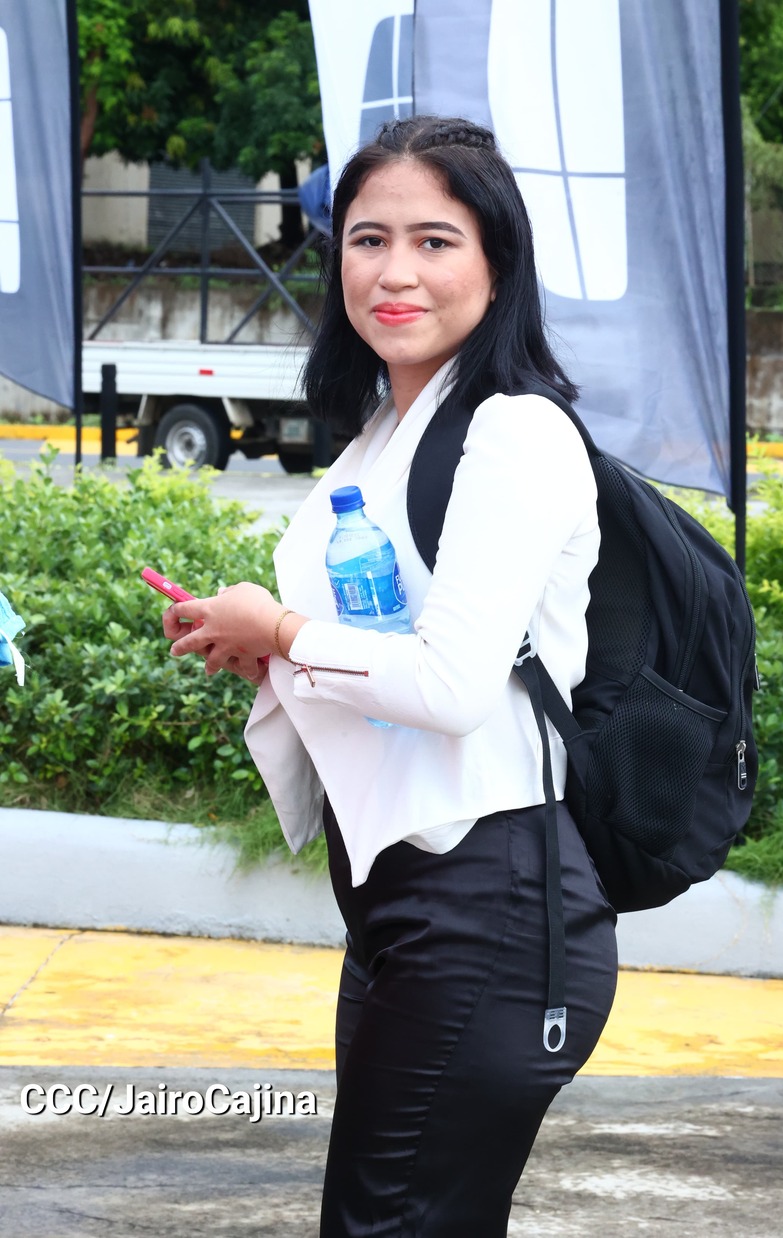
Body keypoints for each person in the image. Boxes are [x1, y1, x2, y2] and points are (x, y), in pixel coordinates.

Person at [163, 115, 618, 1238]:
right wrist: (265, 645)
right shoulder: (381, 433)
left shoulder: (515, 432)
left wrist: (282, 626)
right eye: (367, 240)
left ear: (497, 263)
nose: (394, 272)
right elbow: (379, 648)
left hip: (487, 899)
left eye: (434, 240)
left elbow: (453, 686)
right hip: (400, 902)